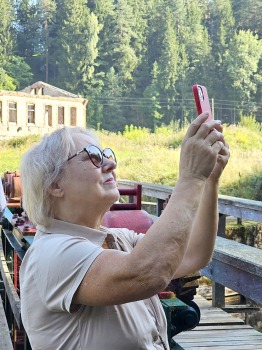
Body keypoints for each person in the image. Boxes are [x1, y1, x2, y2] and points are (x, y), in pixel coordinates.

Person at [19, 112, 230, 350]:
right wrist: (191, 178)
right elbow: (148, 273)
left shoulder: (116, 239)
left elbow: (192, 253)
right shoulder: (51, 252)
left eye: (106, 154)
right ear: (54, 185)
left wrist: (209, 179)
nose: (111, 163)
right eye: (94, 156)